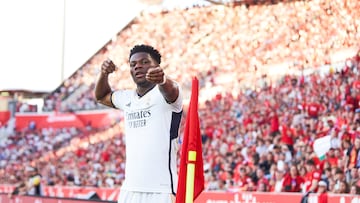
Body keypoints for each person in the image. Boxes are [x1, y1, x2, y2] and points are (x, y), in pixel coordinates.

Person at [95, 44, 183, 203]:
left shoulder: (167, 94)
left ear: (157, 66)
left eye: (144, 62)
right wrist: (103, 74)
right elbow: (101, 96)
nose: (138, 67)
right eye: (133, 64)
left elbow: (171, 90)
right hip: (130, 189)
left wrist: (162, 79)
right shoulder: (127, 98)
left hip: (161, 190)